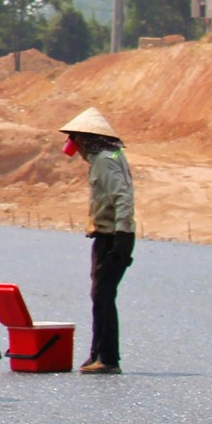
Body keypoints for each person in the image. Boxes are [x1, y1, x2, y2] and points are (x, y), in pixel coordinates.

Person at [64, 106, 135, 374]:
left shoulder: (105, 159)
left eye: (75, 139)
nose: (74, 146)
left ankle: (108, 358)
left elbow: (122, 197)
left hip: (114, 236)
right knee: (100, 294)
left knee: (103, 294)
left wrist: (122, 237)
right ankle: (97, 352)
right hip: (106, 234)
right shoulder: (111, 154)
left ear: (86, 138)